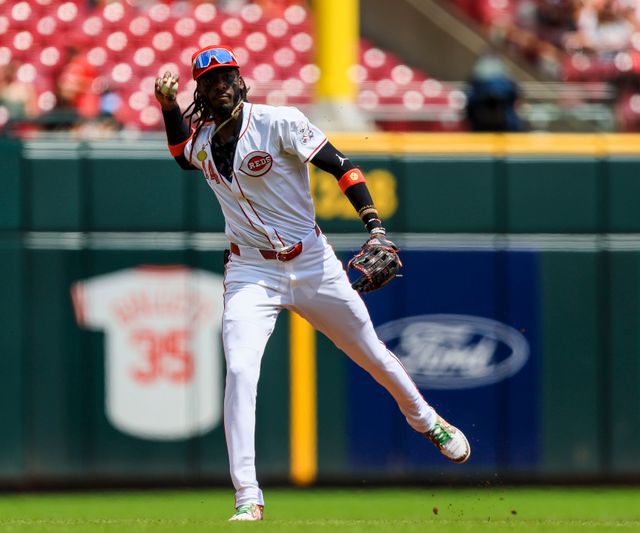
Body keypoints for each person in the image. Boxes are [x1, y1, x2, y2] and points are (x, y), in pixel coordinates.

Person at [154, 45, 471, 522]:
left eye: (227, 75)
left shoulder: (278, 122)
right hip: (250, 271)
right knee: (240, 371)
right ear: (200, 89)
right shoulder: (201, 142)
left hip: (313, 264)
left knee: (370, 352)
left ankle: (427, 420)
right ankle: (247, 494)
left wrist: (375, 228)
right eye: (210, 79)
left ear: (241, 81)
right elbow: (181, 154)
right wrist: (168, 107)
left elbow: (342, 167)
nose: (220, 84)